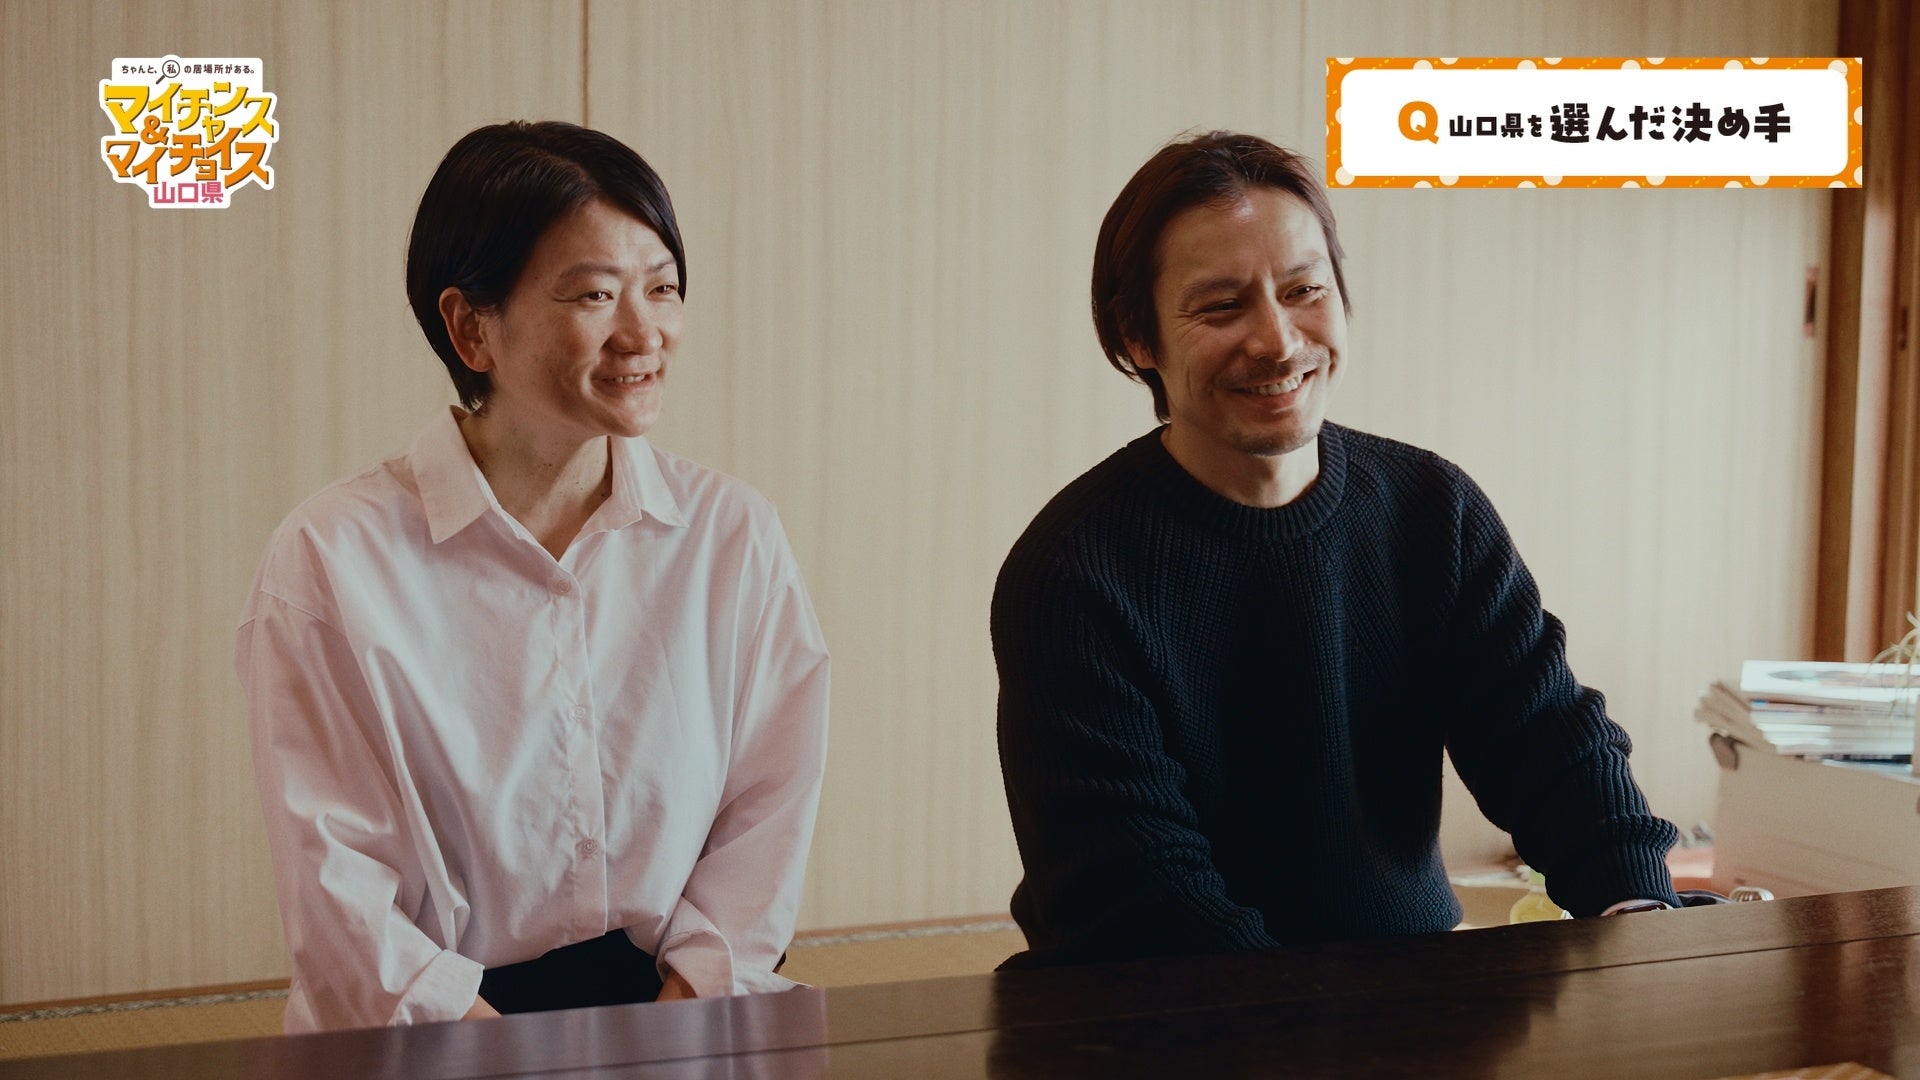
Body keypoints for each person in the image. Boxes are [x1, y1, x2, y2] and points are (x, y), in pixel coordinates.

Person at [992, 131, 1680, 968]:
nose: (1279, 342)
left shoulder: (1433, 508)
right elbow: (1140, 896)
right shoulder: (1072, 572)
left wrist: (1636, 908)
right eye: (1222, 306)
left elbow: (1550, 745)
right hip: (1170, 1009)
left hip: (1409, 987)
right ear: (1138, 339)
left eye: (1303, 290)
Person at [237, 121, 829, 1031]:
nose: (644, 332)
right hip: (433, 1039)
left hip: (679, 1021)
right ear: (471, 328)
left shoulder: (732, 534)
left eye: (662, 287)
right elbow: (338, 888)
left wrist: (674, 1028)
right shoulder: (330, 558)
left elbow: (767, 817)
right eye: (594, 294)